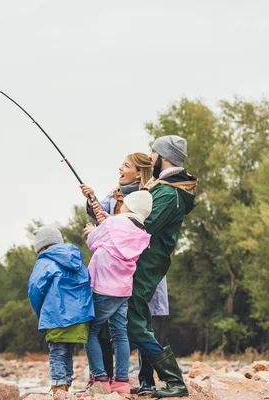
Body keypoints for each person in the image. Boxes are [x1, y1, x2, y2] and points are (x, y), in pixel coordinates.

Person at [79, 152, 170, 386]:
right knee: (117, 331)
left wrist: (105, 224)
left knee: (139, 326)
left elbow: (109, 232)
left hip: (119, 279)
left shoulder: (152, 194)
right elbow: (123, 228)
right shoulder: (115, 195)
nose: (120, 168)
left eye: (126, 165)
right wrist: (94, 202)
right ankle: (117, 381)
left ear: (139, 172)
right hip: (123, 281)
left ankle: (132, 380)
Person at [127, 135, 197, 398]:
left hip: (148, 262)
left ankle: (174, 382)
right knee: (140, 320)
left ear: (164, 157)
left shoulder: (170, 193)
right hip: (145, 261)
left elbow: (144, 226)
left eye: (153, 154)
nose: (149, 158)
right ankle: (153, 380)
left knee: (134, 321)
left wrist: (114, 224)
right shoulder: (167, 188)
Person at [82, 190, 153, 395]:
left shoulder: (114, 224)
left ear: (128, 206)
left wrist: (92, 230)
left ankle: (100, 380)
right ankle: (121, 382)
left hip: (103, 286)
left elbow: (92, 242)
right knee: (120, 333)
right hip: (123, 289)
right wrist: (107, 221)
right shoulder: (141, 231)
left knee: (89, 331)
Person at [28, 225, 95, 396]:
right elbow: (86, 286)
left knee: (57, 352)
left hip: (54, 316)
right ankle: (66, 386)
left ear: (41, 246)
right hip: (79, 318)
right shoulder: (76, 260)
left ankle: (59, 387)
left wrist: (40, 312)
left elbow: (35, 290)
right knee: (67, 352)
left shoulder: (44, 262)